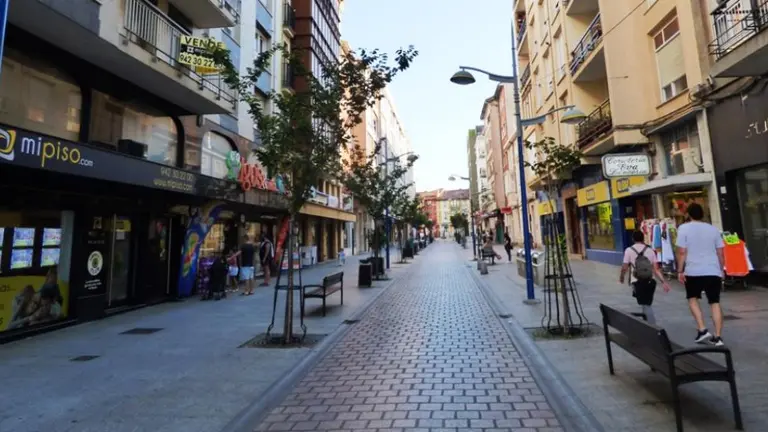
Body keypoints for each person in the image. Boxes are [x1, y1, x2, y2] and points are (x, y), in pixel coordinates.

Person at [676, 203, 726, 346]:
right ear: (702, 214)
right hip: (713, 270)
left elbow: (682, 252)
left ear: (689, 214)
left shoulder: (683, 229)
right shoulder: (713, 230)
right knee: (714, 302)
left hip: (693, 271)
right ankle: (718, 337)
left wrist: (680, 270)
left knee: (692, 299)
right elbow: (720, 253)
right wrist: (721, 269)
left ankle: (702, 329)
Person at [619, 230, 670, 325]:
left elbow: (625, 266)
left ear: (633, 239)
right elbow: (656, 269)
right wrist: (663, 282)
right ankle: (647, 324)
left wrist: (622, 276)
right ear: (643, 238)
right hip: (650, 281)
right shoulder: (650, 251)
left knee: (646, 305)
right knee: (646, 304)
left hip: (637, 281)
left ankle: (652, 327)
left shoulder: (629, 250)